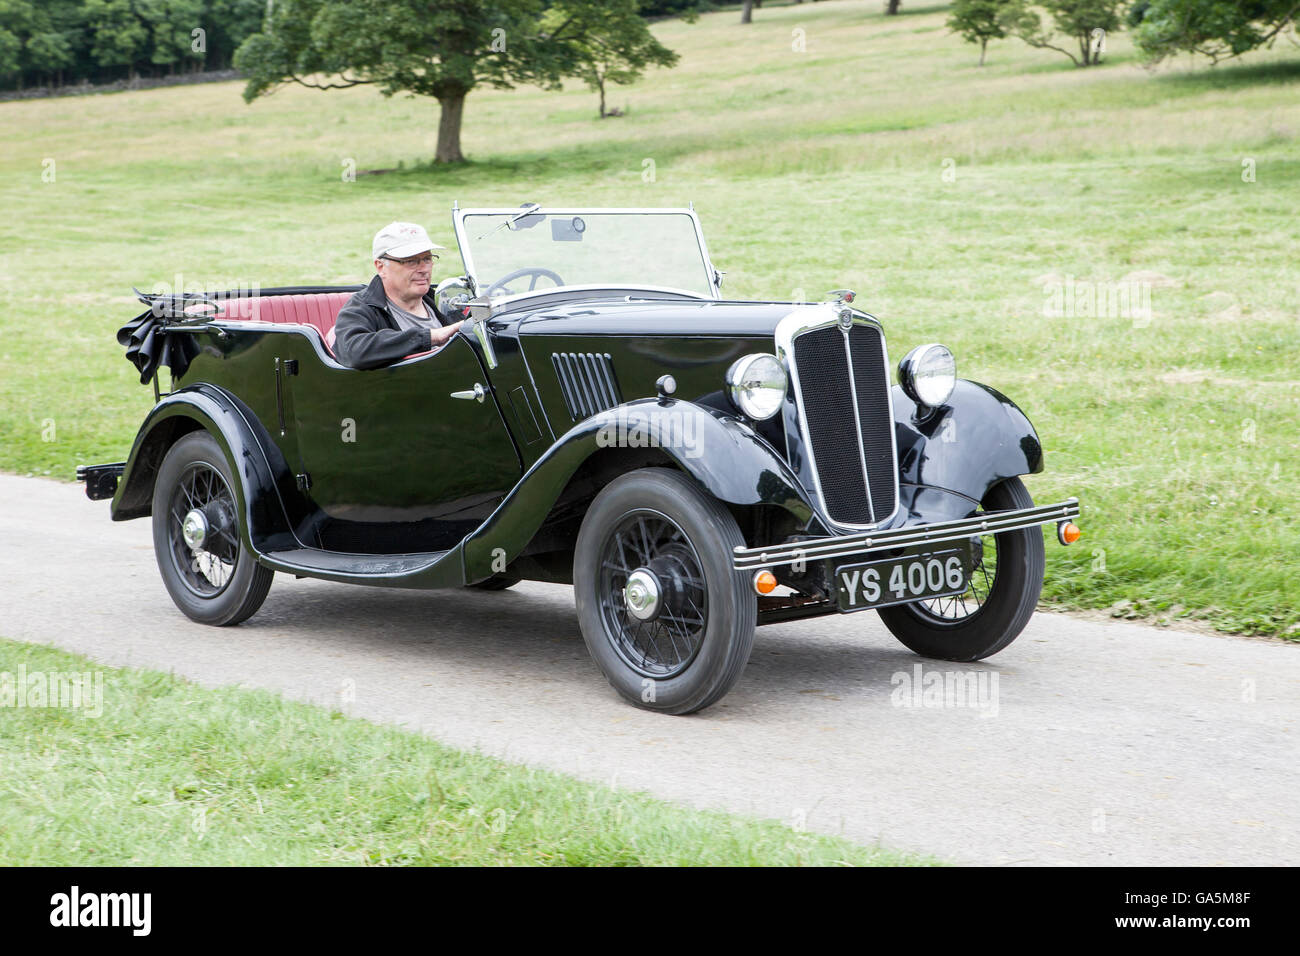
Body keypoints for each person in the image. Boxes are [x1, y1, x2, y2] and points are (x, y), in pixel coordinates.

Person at [333, 222, 464, 370]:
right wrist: (431, 337)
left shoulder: (444, 301)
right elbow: (353, 351)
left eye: (427, 259)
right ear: (381, 267)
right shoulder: (363, 307)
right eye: (411, 261)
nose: (423, 269)